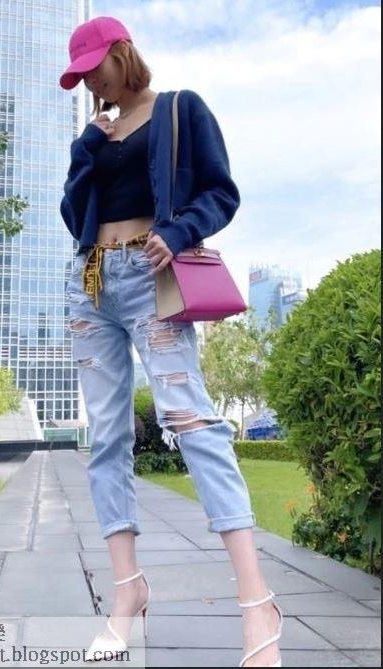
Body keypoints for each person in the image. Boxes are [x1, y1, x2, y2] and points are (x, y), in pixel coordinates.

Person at [59, 15, 283, 667]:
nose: (91, 83)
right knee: (106, 437)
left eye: (95, 68)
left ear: (122, 52)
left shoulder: (181, 109)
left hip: (151, 276)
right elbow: (74, 215)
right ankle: (126, 591)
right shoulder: (94, 134)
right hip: (88, 283)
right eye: (80, 77)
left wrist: (179, 231)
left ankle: (257, 601)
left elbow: (221, 192)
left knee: (191, 422)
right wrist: (88, 148)